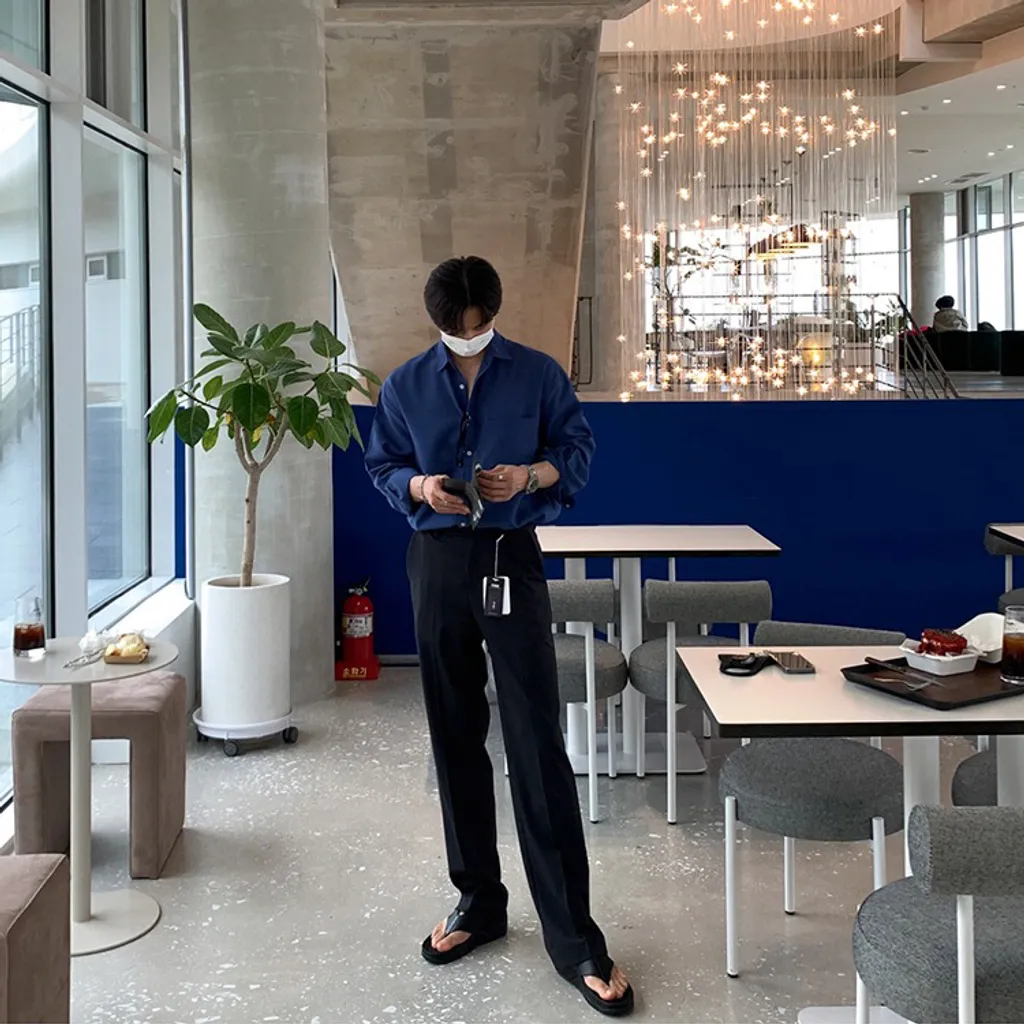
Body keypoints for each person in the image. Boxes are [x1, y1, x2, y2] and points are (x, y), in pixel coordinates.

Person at [364, 256, 634, 1018]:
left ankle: (574, 938)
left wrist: (531, 477)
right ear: (436, 322)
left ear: (495, 315)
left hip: (510, 556)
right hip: (437, 559)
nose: (469, 338)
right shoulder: (404, 385)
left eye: (479, 327)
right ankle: (478, 902)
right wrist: (421, 486)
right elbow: (384, 465)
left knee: (535, 740)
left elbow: (577, 452)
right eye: (456, 329)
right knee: (453, 735)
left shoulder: (539, 374)